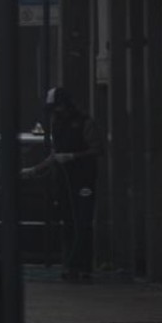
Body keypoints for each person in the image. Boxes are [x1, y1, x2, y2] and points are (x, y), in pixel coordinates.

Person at [44, 87, 103, 283]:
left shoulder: (85, 123)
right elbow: (55, 153)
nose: (56, 111)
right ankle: (70, 266)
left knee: (83, 223)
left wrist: (73, 156)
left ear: (66, 104)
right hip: (64, 180)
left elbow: (97, 149)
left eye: (58, 107)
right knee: (68, 224)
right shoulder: (56, 124)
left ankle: (84, 267)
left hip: (84, 181)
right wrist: (35, 169)